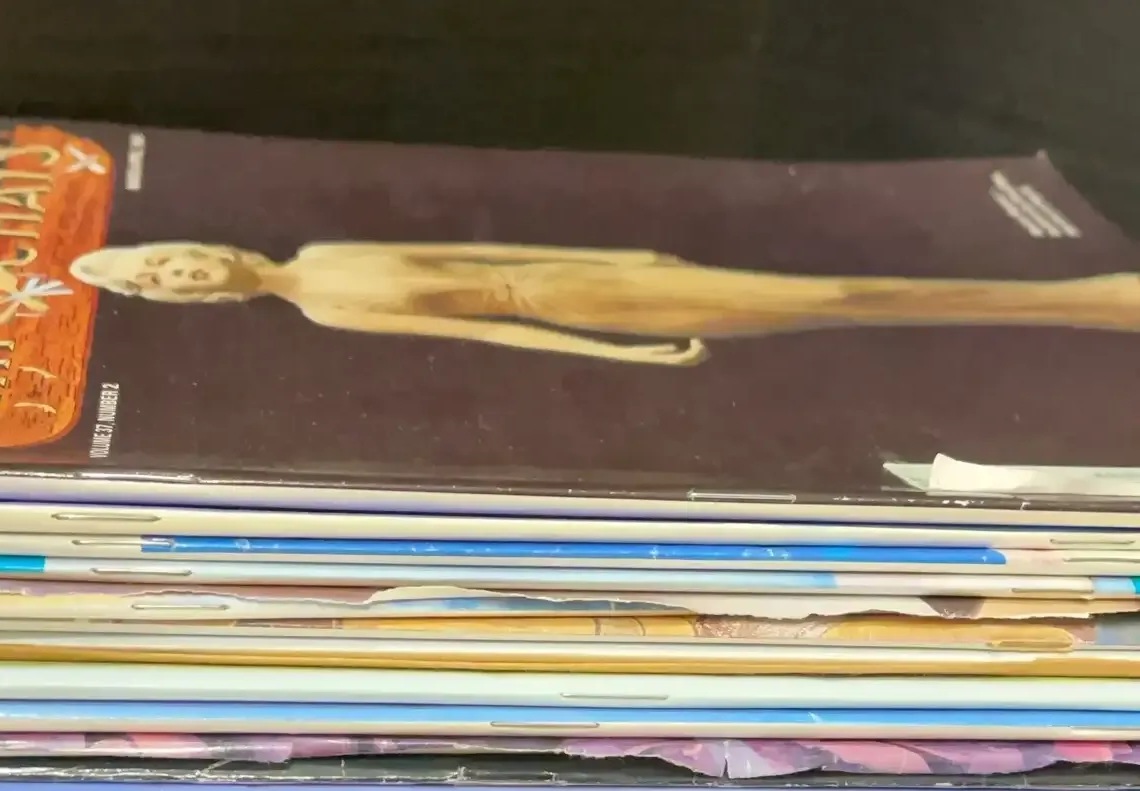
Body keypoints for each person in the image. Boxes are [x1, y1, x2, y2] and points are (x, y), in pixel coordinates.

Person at [70, 239, 1140, 366]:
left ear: (200, 249)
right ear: (193, 304)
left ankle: (1083, 295)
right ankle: (1076, 308)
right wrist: (621, 356)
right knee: (826, 309)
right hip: (584, 312)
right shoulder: (325, 309)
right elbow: (483, 322)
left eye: (174, 261)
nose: (185, 274)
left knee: (829, 284)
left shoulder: (327, 251)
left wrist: (614, 251)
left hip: (607, 274)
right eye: (169, 285)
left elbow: (486, 252)